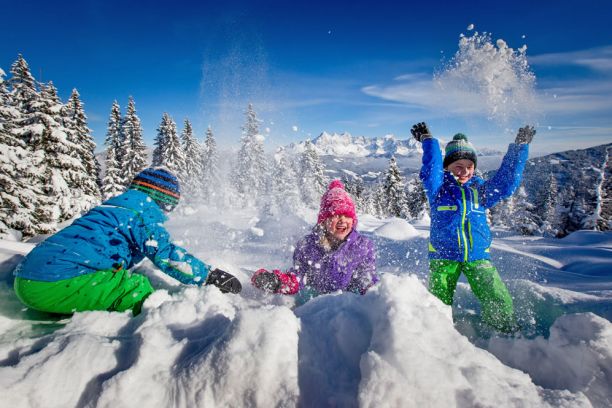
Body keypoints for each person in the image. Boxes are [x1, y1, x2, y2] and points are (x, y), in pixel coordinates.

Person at [13, 167, 241, 316]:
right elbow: (166, 254)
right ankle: (169, 324)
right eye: (170, 205)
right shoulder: (142, 214)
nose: (168, 213)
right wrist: (209, 276)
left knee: (118, 277)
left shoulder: (113, 207)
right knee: (135, 289)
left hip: (29, 276)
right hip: (50, 285)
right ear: (162, 199)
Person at [411, 122, 535, 332]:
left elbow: (507, 182)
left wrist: (519, 147)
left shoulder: (481, 192)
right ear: (447, 167)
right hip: (443, 257)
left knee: (496, 295)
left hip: (478, 256)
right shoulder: (439, 191)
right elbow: (431, 171)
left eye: (469, 166)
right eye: (458, 166)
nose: (465, 171)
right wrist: (429, 141)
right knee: (437, 301)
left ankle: (504, 329)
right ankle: (437, 334)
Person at [251, 180, 378, 302]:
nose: (342, 220)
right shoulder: (308, 246)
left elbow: (366, 279)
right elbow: (298, 278)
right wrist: (278, 282)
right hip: (316, 308)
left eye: (348, 216)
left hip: (345, 309)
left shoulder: (362, 246)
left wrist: (374, 295)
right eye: (336, 215)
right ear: (324, 220)